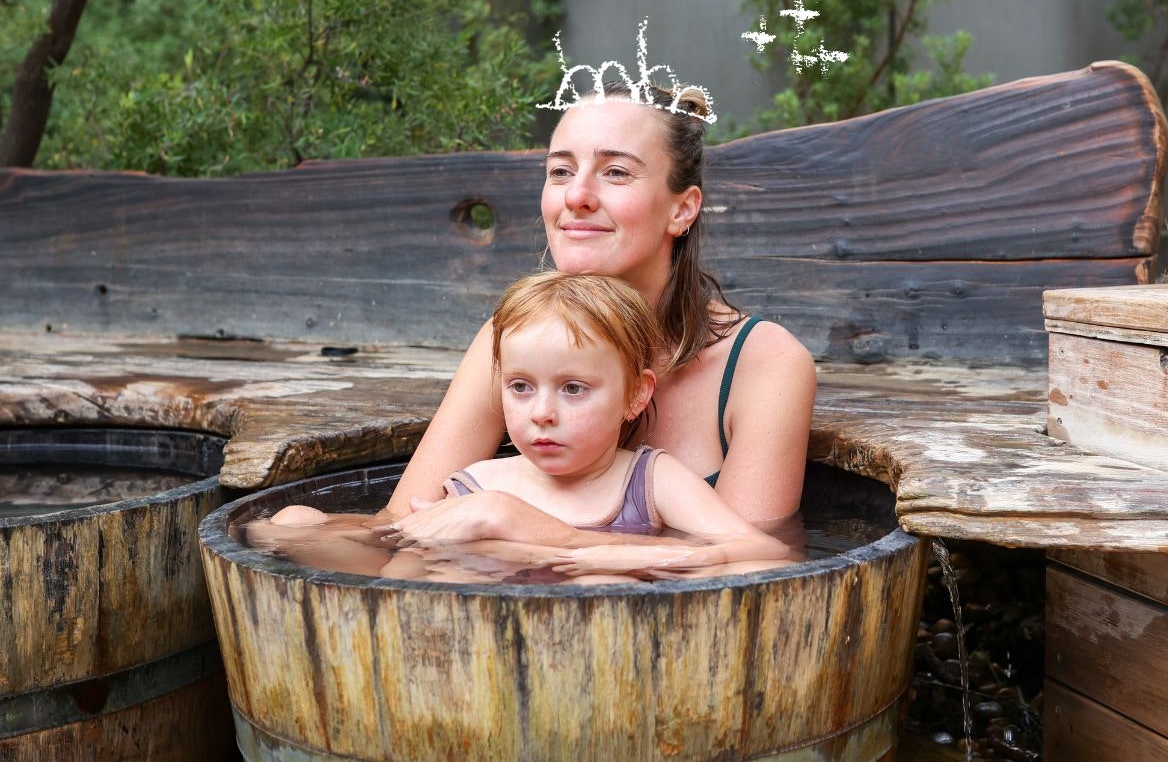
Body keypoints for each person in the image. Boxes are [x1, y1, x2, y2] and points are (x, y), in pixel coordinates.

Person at [387, 82, 816, 532]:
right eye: (560, 172)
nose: (577, 196)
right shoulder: (514, 333)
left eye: (615, 172)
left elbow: (756, 571)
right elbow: (401, 525)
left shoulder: (764, 364)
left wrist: (523, 524)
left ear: (682, 210)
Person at [261, 271, 791, 581]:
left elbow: (764, 554)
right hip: (489, 659)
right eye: (520, 387)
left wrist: (614, 555)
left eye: (573, 388)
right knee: (292, 521)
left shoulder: (651, 481)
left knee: (601, 586)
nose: (542, 412)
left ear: (636, 395)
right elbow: (403, 576)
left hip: (609, 663)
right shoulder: (479, 484)